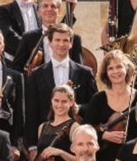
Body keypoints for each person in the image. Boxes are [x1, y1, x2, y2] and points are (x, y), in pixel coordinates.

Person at [23, 23, 95, 152]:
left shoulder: (85, 73)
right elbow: (31, 112)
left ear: (71, 43)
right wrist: (32, 146)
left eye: (65, 40)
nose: (61, 44)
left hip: (78, 137)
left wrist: (79, 108)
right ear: (49, 42)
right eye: (57, 40)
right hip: (46, 137)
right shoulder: (36, 74)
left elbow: (94, 105)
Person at [81, 49, 137, 161]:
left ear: (127, 69)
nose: (115, 72)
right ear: (106, 73)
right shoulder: (98, 99)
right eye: (110, 68)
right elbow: (85, 130)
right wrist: (104, 135)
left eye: (119, 67)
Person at [14, 0, 86, 74]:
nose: (49, 9)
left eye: (53, 6)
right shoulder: (28, 38)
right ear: (39, 11)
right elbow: (17, 68)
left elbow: (78, 68)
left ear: (58, 11)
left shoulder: (74, 38)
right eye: (45, 6)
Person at [33, 84, 79, 161]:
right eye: (56, 100)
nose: (59, 105)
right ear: (51, 101)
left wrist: (60, 152)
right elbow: (39, 156)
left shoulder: (74, 127)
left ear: (71, 102)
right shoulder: (42, 127)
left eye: (64, 101)